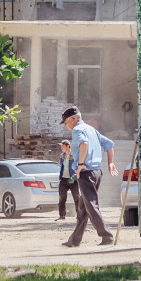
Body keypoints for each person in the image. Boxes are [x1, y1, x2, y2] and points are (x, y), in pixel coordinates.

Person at [60, 106, 119, 247]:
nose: (66, 126)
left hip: (86, 173)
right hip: (96, 172)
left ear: (73, 119)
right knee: (83, 208)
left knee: (91, 205)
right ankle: (74, 240)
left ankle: (106, 236)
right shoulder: (91, 129)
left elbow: (84, 144)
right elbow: (109, 145)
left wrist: (80, 164)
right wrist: (110, 163)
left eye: (66, 122)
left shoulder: (77, 130)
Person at [56, 139, 79, 221]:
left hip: (72, 178)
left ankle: (79, 215)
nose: (61, 148)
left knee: (76, 197)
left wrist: (74, 176)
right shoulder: (62, 156)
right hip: (64, 178)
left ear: (68, 146)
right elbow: (62, 166)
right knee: (62, 198)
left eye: (63, 146)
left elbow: (77, 166)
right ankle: (62, 215)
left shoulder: (74, 155)